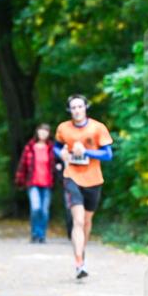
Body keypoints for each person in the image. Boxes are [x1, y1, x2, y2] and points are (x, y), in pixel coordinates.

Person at [54, 94, 113, 279]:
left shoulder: (98, 128)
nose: (77, 110)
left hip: (93, 179)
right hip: (71, 176)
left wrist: (86, 152)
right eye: (73, 107)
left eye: (80, 106)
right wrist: (61, 154)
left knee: (86, 222)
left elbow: (108, 155)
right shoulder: (63, 128)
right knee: (78, 221)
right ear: (69, 110)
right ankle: (79, 262)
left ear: (86, 108)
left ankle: (82, 253)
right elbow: (56, 147)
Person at [15, 123, 56, 243]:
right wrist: (19, 180)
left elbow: (57, 164)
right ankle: (35, 234)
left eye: (46, 131)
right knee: (35, 208)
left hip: (47, 183)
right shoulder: (30, 147)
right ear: (37, 132)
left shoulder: (52, 148)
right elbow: (22, 165)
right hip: (32, 183)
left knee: (44, 211)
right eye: (41, 131)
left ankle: (42, 235)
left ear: (49, 134)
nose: (43, 133)